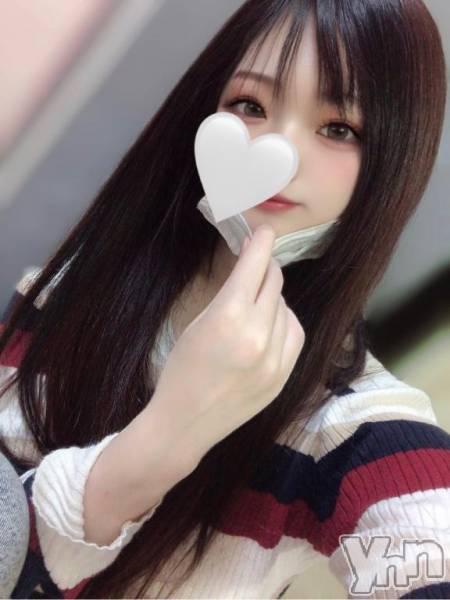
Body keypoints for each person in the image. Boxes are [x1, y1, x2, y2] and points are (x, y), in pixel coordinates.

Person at [1, 0, 449, 598]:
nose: (280, 151)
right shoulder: (69, 293)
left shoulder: (352, 425)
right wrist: (169, 429)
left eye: (338, 128)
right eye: (250, 105)